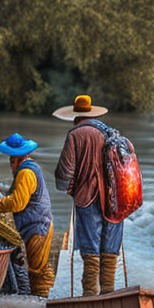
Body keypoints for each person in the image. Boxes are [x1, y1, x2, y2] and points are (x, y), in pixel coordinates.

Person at [53, 95, 123, 296]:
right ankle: (108, 294)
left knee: (91, 250)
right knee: (110, 249)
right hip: (115, 200)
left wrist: (69, 188)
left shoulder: (75, 135)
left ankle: (90, 295)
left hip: (88, 197)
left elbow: (65, 172)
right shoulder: (110, 133)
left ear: (76, 116)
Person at [0, 133, 56, 298]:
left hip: (37, 227)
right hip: (38, 225)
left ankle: (43, 303)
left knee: (38, 270)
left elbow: (18, 202)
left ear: (16, 159)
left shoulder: (25, 172)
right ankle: (39, 299)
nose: (11, 164)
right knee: (37, 267)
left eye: (11, 160)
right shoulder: (30, 168)